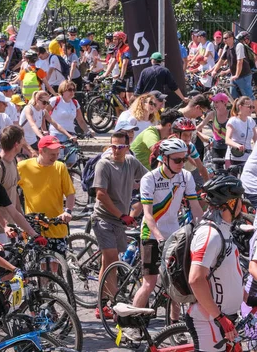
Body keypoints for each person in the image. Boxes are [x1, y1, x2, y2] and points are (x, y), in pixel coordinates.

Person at [123, 138, 203, 341]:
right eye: (177, 160)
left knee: (177, 282)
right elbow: (148, 215)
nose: (182, 163)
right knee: (149, 283)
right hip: (151, 234)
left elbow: (195, 208)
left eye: (184, 159)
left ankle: (174, 326)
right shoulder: (150, 178)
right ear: (164, 159)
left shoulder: (185, 176)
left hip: (175, 234)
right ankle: (131, 325)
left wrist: (205, 229)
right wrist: (158, 237)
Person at [92, 132, 147, 320]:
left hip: (120, 220)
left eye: (120, 147)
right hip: (104, 218)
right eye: (113, 146)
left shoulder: (131, 162)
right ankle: (113, 302)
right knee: (112, 258)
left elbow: (148, 178)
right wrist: (121, 215)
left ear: (128, 147)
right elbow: (100, 194)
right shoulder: (104, 164)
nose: (116, 150)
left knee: (109, 264)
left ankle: (104, 303)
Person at [186, 175, 245, 351]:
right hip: (209, 320)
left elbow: (229, 273)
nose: (243, 205)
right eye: (240, 200)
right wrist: (219, 317)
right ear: (231, 203)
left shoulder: (224, 230)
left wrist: (248, 297)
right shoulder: (209, 234)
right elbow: (196, 279)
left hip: (224, 318)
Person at [17, 135, 75, 255]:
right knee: (38, 266)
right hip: (34, 225)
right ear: (41, 151)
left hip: (57, 224)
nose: (55, 158)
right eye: (52, 154)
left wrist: (68, 211)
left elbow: (70, 193)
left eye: (57, 154)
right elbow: (10, 189)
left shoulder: (60, 167)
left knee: (56, 266)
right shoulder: (23, 167)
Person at [48, 80, 93, 165]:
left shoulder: (75, 103)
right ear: (62, 90)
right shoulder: (55, 100)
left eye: (73, 90)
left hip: (71, 135)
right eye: (69, 89)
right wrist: (44, 129)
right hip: (56, 134)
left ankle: (70, 177)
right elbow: (44, 114)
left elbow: (80, 120)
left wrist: (88, 131)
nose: (72, 92)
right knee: (57, 162)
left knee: (71, 163)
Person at [210, 31, 256, 110]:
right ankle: (238, 113)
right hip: (234, 76)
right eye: (223, 38)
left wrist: (237, 75)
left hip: (244, 75)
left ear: (231, 38)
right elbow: (221, 60)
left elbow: (239, 61)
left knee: (249, 96)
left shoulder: (239, 46)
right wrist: (214, 70)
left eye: (225, 38)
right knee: (233, 96)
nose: (224, 40)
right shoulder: (227, 47)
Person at [225, 96, 257, 168]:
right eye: (249, 107)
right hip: (234, 157)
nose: (251, 109)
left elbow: (256, 140)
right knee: (234, 179)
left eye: (253, 107)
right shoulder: (233, 121)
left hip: (248, 158)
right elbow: (227, 140)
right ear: (240, 107)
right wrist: (237, 145)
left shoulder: (251, 121)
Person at [197, 92, 230, 160]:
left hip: (229, 148)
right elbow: (199, 127)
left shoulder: (231, 114)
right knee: (217, 169)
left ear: (224, 102)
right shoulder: (212, 114)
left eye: (217, 102)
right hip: (216, 147)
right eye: (214, 102)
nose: (214, 104)